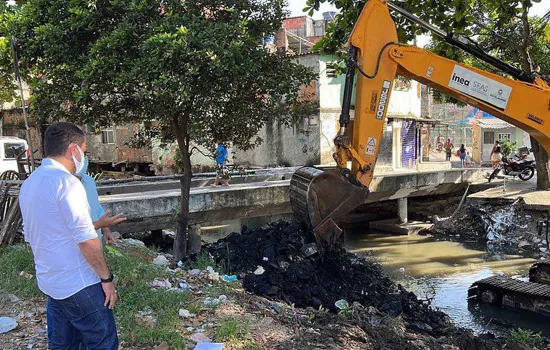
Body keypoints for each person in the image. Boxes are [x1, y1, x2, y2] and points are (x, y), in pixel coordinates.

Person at [19, 122, 126, 349]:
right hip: (79, 284)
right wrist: (106, 280)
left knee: (63, 345)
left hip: (51, 283)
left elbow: (32, 236)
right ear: (73, 149)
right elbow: (86, 240)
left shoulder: (29, 184)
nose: (84, 156)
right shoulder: (67, 184)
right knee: (102, 342)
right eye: (84, 150)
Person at [75, 156, 117, 247]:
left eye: (84, 154)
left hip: (94, 237)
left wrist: (106, 230)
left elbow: (96, 208)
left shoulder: (88, 181)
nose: (84, 158)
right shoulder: (60, 186)